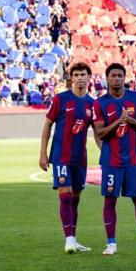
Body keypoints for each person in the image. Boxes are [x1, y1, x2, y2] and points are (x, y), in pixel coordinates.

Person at [92, 63, 136, 255]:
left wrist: (130, 120)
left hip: (132, 161)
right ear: (107, 79)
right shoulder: (100, 103)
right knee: (110, 201)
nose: (117, 78)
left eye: (120, 75)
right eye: (113, 75)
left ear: (125, 78)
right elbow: (100, 132)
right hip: (111, 162)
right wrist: (119, 121)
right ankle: (111, 244)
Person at [39, 62, 94, 253]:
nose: (79, 78)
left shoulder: (92, 104)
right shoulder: (60, 99)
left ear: (89, 78)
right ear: (72, 77)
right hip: (61, 156)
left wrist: (107, 151)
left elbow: (98, 132)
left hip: (80, 159)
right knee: (65, 196)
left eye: (83, 74)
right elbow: (47, 126)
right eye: (76, 74)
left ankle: (73, 238)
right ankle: (69, 240)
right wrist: (43, 153)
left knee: (75, 199)